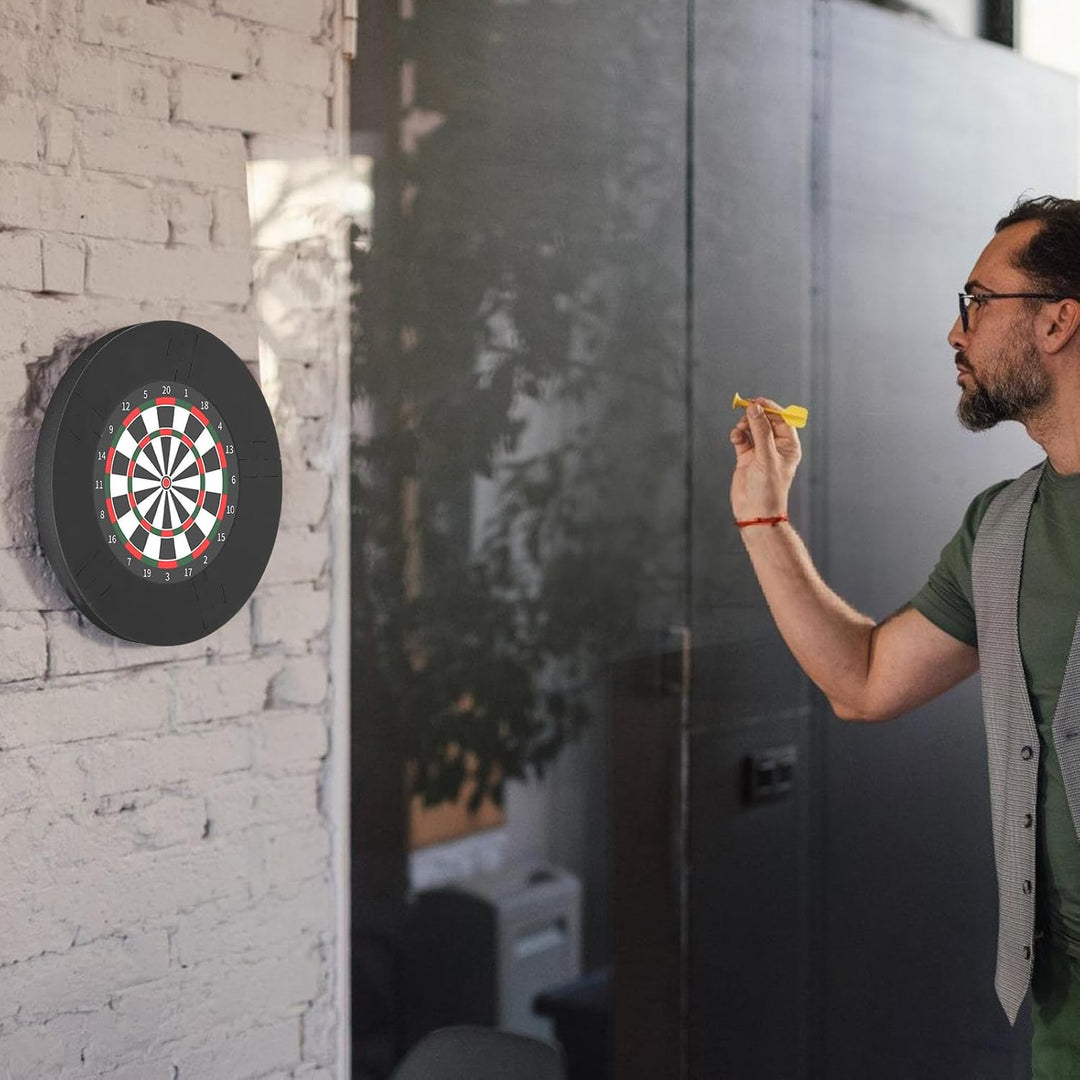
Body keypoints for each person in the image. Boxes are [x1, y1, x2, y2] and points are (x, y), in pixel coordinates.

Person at [729, 194, 1080, 1077]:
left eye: (975, 301)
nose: (954, 332)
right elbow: (865, 682)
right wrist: (764, 518)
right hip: (1061, 1007)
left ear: (1058, 321)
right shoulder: (1001, 528)